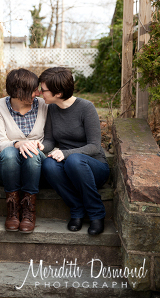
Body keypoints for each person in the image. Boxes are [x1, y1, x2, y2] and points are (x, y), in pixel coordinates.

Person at [39, 67, 109, 236]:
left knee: (75, 160)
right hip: (69, 166)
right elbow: (50, 140)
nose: (41, 93)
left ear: (58, 92)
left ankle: (96, 213)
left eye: (43, 90)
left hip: (94, 168)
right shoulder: (52, 109)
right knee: (48, 164)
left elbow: (94, 146)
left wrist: (67, 153)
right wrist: (40, 146)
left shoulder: (86, 107)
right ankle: (76, 209)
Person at [0, 68, 48, 233]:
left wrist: (36, 145)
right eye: (33, 90)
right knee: (8, 152)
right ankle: (12, 210)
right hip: (8, 165)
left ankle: (28, 211)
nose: (38, 93)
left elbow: (50, 138)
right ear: (19, 91)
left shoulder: (43, 105)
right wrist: (17, 143)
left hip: (35, 165)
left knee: (32, 153)